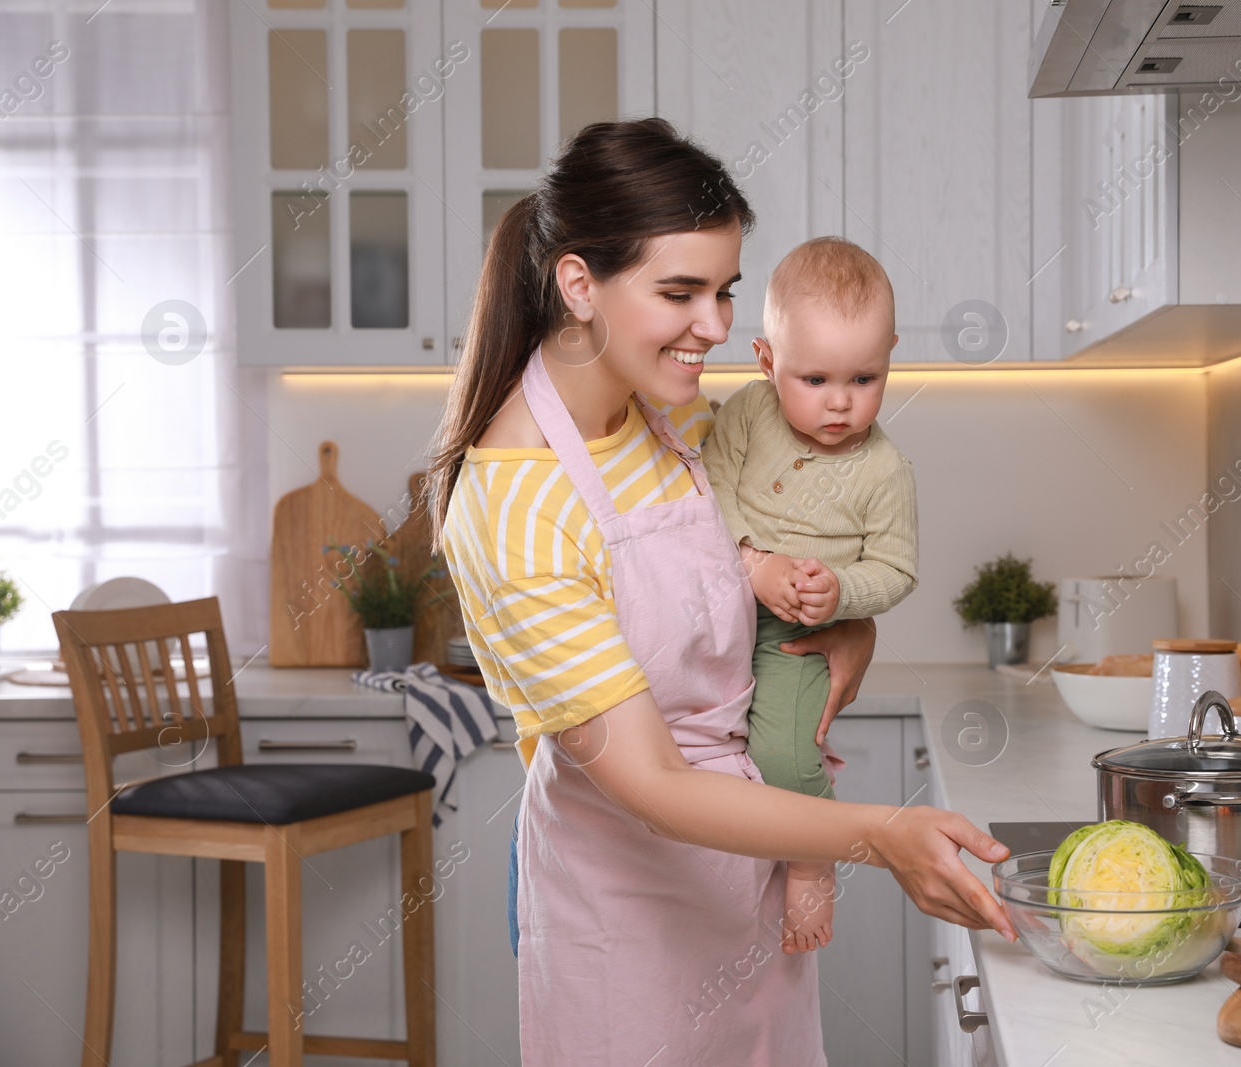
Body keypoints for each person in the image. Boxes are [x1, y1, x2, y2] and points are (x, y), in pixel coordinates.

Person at [426, 117, 1013, 1066]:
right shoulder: (515, 507)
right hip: (625, 899)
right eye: (680, 292)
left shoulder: (676, 414)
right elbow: (653, 784)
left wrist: (851, 635)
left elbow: (788, 576)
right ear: (580, 284)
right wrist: (880, 833)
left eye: (725, 290)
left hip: (747, 863)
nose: (715, 326)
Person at [701, 236, 916, 955]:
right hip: (728, 606)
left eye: (864, 377)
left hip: (794, 636)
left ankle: (812, 854)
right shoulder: (743, 416)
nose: (840, 402)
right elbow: (713, 492)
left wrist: (844, 594)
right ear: (765, 361)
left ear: (890, 354)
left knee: (787, 754)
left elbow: (896, 567)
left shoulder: (885, 468)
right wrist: (751, 562)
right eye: (815, 378)